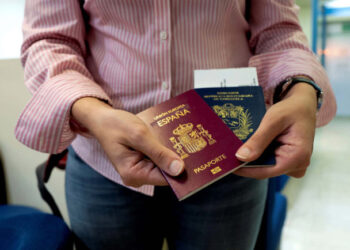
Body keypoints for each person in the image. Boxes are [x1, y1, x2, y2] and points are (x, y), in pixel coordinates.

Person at [16, 0, 336, 249]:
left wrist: (301, 87)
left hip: (229, 159)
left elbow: (279, 31)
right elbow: (49, 39)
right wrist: (91, 112)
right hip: (104, 164)